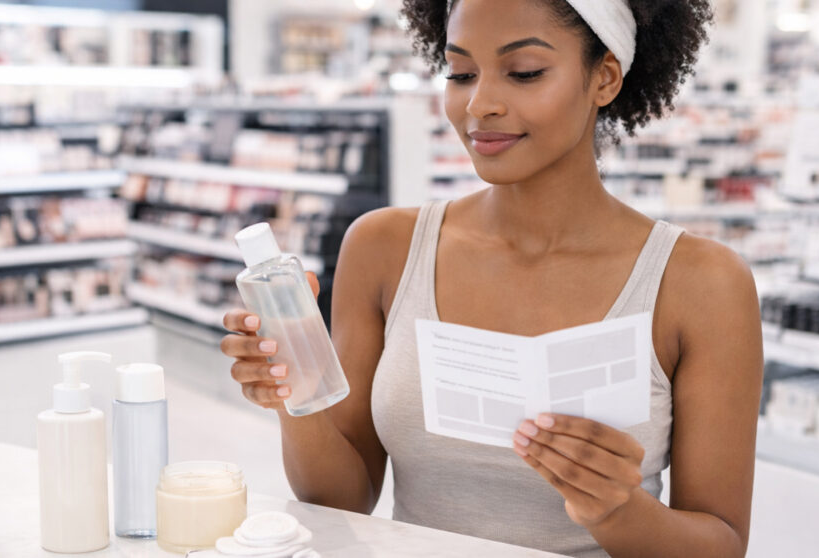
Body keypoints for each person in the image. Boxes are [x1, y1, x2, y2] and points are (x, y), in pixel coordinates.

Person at [221, 1, 763, 556]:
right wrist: (294, 391)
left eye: (524, 72)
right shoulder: (384, 249)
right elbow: (338, 498)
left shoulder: (701, 284)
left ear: (604, 77)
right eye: (460, 74)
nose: (479, 105)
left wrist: (619, 510)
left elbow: (720, 542)